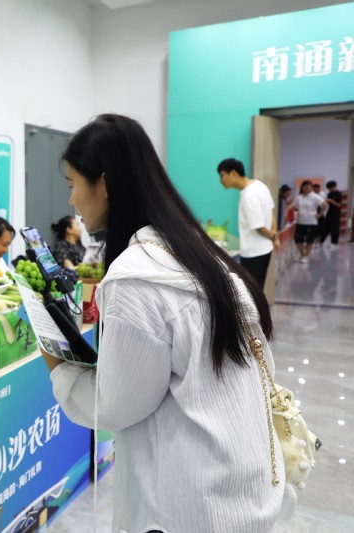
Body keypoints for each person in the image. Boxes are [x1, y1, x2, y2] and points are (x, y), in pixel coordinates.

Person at [43, 114, 294, 532]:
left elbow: (117, 406)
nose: (71, 200)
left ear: (103, 184)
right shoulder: (197, 252)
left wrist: (58, 367)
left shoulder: (135, 278)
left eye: (73, 184)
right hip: (245, 485)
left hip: (192, 505)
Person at [217, 158, 279, 288]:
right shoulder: (260, 186)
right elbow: (271, 209)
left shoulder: (249, 195)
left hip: (253, 254)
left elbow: (259, 227)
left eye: (222, 175)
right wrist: (274, 236)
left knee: (252, 292)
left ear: (233, 173)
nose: (220, 180)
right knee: (257, 288)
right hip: (264, 250)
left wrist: (273, 236)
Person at [292, 180, 327, 264]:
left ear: (311, 187)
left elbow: (324, 205)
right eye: (304, 186)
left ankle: (306, 256)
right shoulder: (299, 197)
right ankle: (302, 254)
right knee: (297, 239)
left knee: (309, 240)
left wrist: (320, 214)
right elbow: (294, 206)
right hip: (300, 221)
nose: (306, 188)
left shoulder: (315, 196)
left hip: (311, 222)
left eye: (308, 186)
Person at [322, 180, 342, 249]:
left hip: (336, 213)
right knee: (326, 227)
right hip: (329, 212)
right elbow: (327, 204)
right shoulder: (329, 194)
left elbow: (338, 205)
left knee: (335, 228)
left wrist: (331, 200)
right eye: (329, 188)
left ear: (334, 186)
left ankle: (334, 243)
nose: (330, 189)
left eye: (331, 188)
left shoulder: (338, 194)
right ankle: (321, 241)